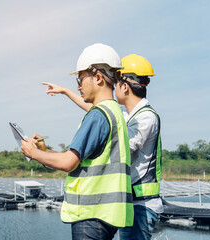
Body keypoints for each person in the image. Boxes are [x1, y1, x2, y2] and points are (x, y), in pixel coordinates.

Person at [42, 54, 163, 240]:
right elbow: (98, 110)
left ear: (125, 86)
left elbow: (120, 142)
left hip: (143, 204)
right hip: (130, 202)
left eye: (116, 82)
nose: (113, 88)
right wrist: (66, 92)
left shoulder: (146, 117)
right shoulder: (125, 114)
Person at [21, 43, 133, 240]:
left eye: (80, 79)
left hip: (91, 214)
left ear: (98, 77)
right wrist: (45, 151)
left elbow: (68, 162)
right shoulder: (114, 112)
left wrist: (34, 153)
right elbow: (79, 160)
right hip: (107, 214)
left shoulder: (98, 116)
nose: (78, 86)